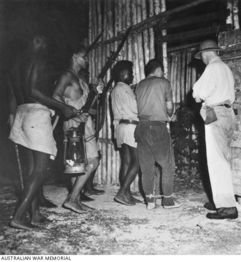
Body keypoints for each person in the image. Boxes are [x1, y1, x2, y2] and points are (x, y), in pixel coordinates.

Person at [8, 35, 79, 230]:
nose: (45, 45)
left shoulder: (16, 65)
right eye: (42, 41)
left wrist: (13, 116)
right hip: (35, 115)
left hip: (22, 114)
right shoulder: (37, 60)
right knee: (40, 170)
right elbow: (34, 91)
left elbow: (14, 95)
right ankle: (19, 217)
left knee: (32, 171)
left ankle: (35, 214)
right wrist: (61, 107)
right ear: (34, 42)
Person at [193, 39, 238, 219]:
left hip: (216, 114)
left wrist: (199, 96)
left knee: (217, 160)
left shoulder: (212, 68)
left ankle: (227, 207)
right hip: (228, 114)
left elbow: (197, 93)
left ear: (205, 54)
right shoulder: (225, 68)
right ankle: (221, 200)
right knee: (224, 158)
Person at [53, 45, 100, 214]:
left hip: (81, 123)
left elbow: (86, 107)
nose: (86, 60)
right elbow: (55, 96)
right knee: (92, 161)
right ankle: (72, 199)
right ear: (74, 56)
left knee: (76, 166)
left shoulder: (77, 78)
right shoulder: (67, 75)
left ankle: (76, 199)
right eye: (84, 57)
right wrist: (72, 113)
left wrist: (95, 93)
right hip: (74, 124)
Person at [135, 59, 180, 209]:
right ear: (158, 69)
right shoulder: (163, 82)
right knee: (167, 165)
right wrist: (171, 115)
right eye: (162, 71)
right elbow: (169, 106)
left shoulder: (139, 85)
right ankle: (167, 201)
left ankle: (150, 201)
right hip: (157, 127)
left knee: (146, 167)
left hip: (141, 127)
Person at [110, 60, 141, 206]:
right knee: (138, 161)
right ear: (123, 73)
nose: (133, 75)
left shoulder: (115, 89)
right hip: (131, 127)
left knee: (127, 162)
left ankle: (126, 194)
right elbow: (136, 109)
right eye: (131, 72)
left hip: (121, 127)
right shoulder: (125, 88)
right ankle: (122, 192)